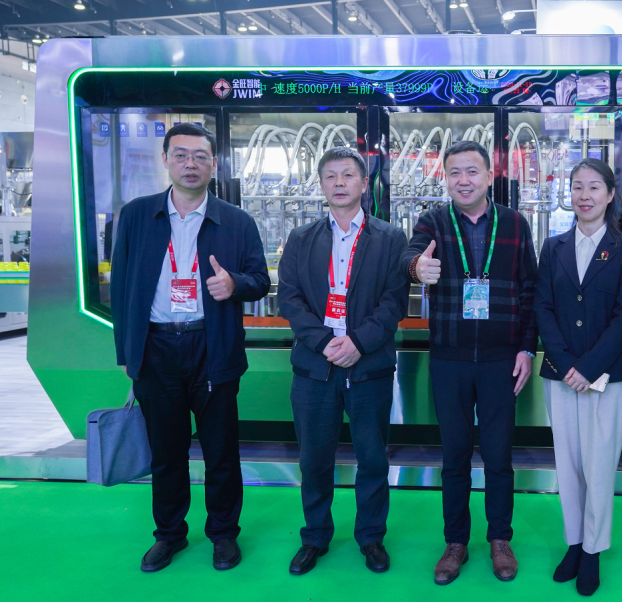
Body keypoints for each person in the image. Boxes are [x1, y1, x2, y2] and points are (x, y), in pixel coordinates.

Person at [110, 122, 270, 572]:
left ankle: (223, 534)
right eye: (180, 155)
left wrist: (234, 284)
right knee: (166, 453)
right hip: (156, 348)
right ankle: (169, 535)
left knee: (221, 451)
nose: (190, 164)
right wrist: (128, 355)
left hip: (212, 347)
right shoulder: (137, 216)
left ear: (214, 164)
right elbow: (121, 288)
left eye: (200, 156)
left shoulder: (236, 221)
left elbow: (260, 280)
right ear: (166, 160)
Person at [401, 141, 538, 585]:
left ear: (489, 176)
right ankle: (456, 542)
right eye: (455, 173)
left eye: (472, 171)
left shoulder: (515, 223)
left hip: (502, 360)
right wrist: (416, 268)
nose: (464, 180)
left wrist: (527, 349)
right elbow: (409, 257)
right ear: (446, 178)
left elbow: (530, 289)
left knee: (499, 456)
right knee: (455, 456)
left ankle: (500, 539)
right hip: (450, 359)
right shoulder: (433, 222)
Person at [277, 147, 409, 576]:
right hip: (315, 367)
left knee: (372, 458)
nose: (339, 183)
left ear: (364, 183)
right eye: (331, 176)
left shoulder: (390, 238)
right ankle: (314, 536)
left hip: (368, 366)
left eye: (348, 175)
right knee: (314, 459)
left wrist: (357, 342)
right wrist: (324, 342)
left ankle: (371, 537)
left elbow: (394, 301)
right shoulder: (301, 238)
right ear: (321, 184)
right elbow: (290, 299)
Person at [534, 159, 622, 596]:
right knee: (569, 464)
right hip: (560, 375)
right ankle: (575, 543)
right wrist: (565, 364)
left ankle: (594, 550)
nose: (585, 195)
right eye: (577, 187)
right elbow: (543, 308)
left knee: (599, 466)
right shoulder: (553, 246)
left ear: (610, 195)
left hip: (606, 375)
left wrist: (589, 368)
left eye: (594, 187)